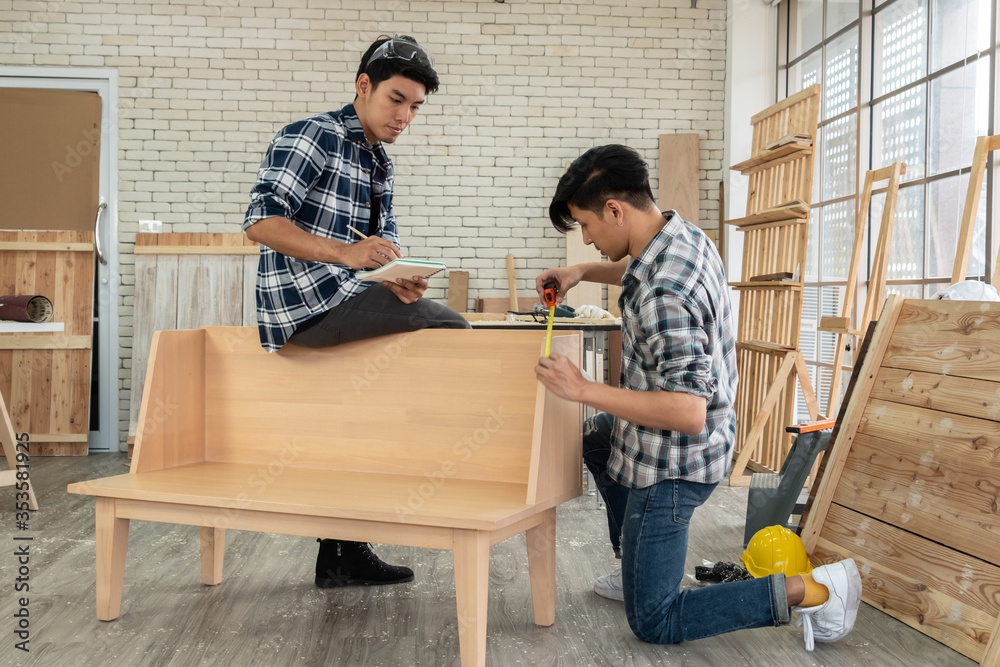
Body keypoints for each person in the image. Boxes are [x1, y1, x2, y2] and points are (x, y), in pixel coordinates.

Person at [533, 144, 861, 650]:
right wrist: (583, 274)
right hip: (695, 440)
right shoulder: (680, 236)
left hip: (673, 465)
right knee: (598, 438)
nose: (587, 239)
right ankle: (637, 563)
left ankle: (811, 589)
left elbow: (686, 413)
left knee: (655, 620)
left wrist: (582, 388)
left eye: (586, 225)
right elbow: (640, 271)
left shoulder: (664, 290)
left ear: (615, 211)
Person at [242, 35, 470, 590]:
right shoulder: (312, 136)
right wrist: (346, 254)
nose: (405, 115)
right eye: (397, 99)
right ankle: (455, 480)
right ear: (363, 86)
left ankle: (342, 554)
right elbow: (260, 221)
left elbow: (378, 248)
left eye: (416, 106)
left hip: (350, 296)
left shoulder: (380, 163)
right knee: (455, 331)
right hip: (306, 304)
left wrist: (400, 278)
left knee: (358, 414)